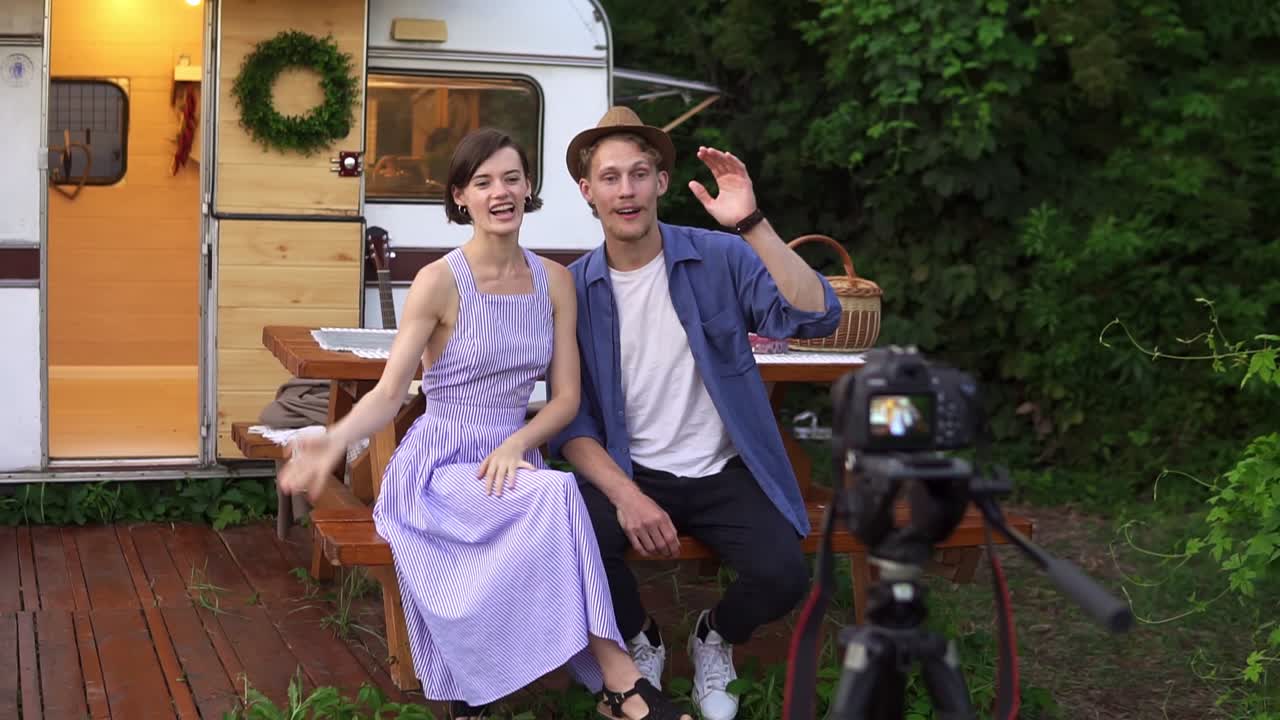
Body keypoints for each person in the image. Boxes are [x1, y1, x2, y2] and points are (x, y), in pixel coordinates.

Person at [278, 128, 693, 720]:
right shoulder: (439, 281)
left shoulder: (554, 280)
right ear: (461, 198)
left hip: (511, 462)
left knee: (551, 492)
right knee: (558, 494)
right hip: (438, 468)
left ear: (528, 189)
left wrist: (519, 442)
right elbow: (391, 392)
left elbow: (566, 398)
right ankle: (620, 683)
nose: (500, 192)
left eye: (511, 178)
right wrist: (334, 443)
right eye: (483, 182)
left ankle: (595, 687)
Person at [549, 108, 844, 720]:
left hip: (724, 468)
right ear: (587, 191)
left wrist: (752, 224)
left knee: (786, 572)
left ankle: (715, 635)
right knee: (568, 539)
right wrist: (627, 496)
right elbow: (569, 420)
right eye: (609, 178)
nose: (625, 191)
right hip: (632, 470)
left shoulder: (719, 257)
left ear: (660, 182)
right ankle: (640, 639)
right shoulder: (571, 288)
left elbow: (817, 316)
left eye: (639, 173)